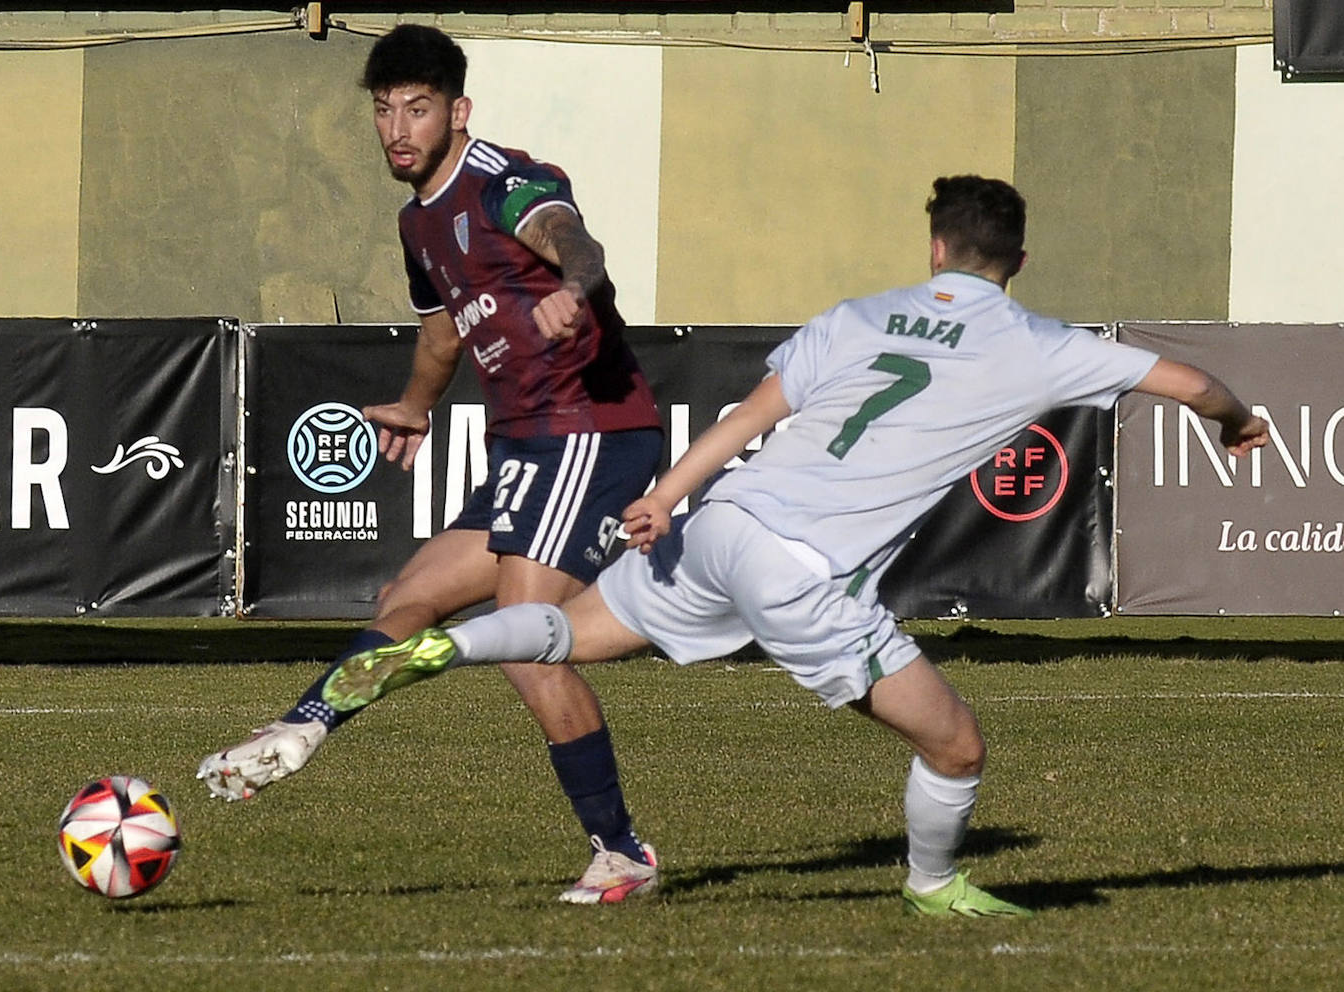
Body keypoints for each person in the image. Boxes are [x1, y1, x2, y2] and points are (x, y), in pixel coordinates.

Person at [305, 174, 1271, 917]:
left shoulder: (857, 317)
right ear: (1014, 261)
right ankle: (931, 886)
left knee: (565, 634)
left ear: (935, 249)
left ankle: (438, 645)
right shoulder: (1043, 342)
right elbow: (1190, 384)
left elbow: (750, 415)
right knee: (957, 744)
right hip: (803, 573)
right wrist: (1236, 422)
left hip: (721, 521)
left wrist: (664, 496)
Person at [197, 24, 665, 905]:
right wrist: (417, 406)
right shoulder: (417, 219)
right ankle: (300, 729)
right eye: (383, 110)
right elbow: (444, 328)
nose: (397, 128)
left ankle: (622, 854)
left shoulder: (503, 182)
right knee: (405, 600)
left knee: (528, 645)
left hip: (588, 428)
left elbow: (575, 239)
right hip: (528, 442)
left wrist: (573, 287)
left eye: (417, 108)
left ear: (459, 111)